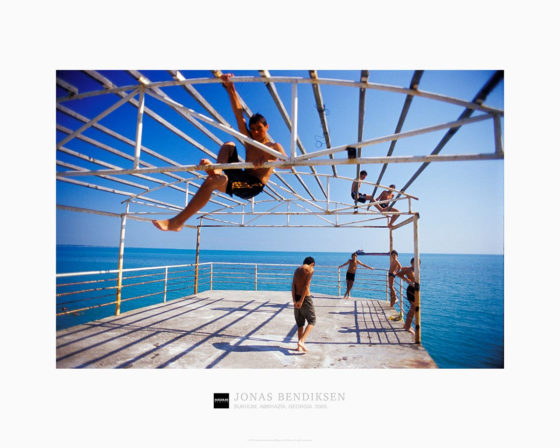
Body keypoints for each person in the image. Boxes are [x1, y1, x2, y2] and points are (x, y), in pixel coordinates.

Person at [152, 73, 288, 231]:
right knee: (229, 145)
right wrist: (230, 87)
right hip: (240, 175)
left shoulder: (274, 147)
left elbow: (288, 165)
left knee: (212, 182)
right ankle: (218, 169)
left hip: (252, 185)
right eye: (253, 129)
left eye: (259, 128)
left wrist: (268, 162)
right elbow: (238, 114)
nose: (256, 132)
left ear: (267, 127)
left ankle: (176, 222)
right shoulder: (250, 141)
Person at [292, 256, 316, 353]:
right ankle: (301, 341)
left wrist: (294, 301)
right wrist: (301, 301)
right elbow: (306, 286)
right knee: (312, 320)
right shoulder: (310, 269)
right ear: (312, 264)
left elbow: (293, 285)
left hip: (296, 297)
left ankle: (299, 347)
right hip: (305, 298)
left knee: (300, 323)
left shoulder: (297, 270)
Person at [396, 258, 419, 334]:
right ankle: (407, 326)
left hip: (416, 290)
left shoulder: (416, 269)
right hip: (411, 290)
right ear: (411, 263)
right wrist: (406, 279)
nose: (416, 264)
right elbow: (398, 274)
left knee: (414, 308)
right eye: (414, 262)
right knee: (413, 308)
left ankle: (407, 325)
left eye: (418, 263)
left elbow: (402, 268)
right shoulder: (409, 270)